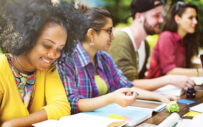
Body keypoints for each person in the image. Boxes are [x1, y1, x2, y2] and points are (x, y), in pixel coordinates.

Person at [56, 7, 177, 114]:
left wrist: (160, 97)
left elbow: (126, 86)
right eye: (109, 31)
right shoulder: (67, 59)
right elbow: (72, 103)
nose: (113, 37)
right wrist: (111, 98)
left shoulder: (104, 58)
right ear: (91, 34)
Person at [0, 0, 86, 126]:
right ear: (27, 38)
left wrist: (12, 124)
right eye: (47, 45)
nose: (53, 55)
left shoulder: (48, 68)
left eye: (59, 49)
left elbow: (61, 107)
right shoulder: (2, 69)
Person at [108, 0, 195, 91]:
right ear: (139, 17)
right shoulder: (121, 39)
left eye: (161, 15)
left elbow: (140, 81)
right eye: (156, 15)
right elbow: (126, 83)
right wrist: (169, 79)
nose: (161, 20)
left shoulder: (144, 44)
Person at [146, 2, 202, 78]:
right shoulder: (166, 36)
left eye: (196, 18)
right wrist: (199, 72)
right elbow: (169, 71)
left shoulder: (184, 40)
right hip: (157, 87)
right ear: (177, 19)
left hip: (174, 86)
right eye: (190, 18)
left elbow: (185, 66)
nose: (195, 22)